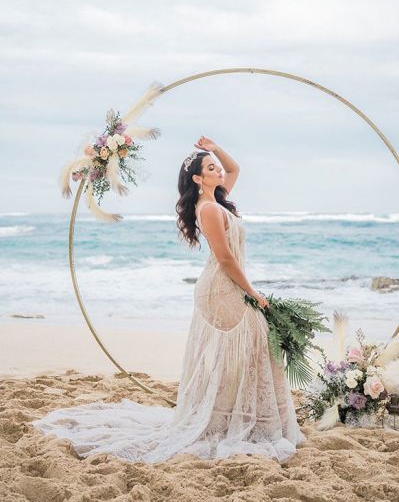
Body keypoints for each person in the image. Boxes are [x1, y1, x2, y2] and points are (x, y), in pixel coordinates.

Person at [31, 137, 306, 463]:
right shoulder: (209, 210)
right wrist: (256, 295)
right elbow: (226, 260)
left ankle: (237, 417)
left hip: (227, 287)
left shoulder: (218, 200)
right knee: (253, 340)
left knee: (252, 346)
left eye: (215, 167)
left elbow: (235, 168)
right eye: (210, 168)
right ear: (197, 179)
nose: (219, 170)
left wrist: (214, 148)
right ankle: (226, 420)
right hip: (220, 290)